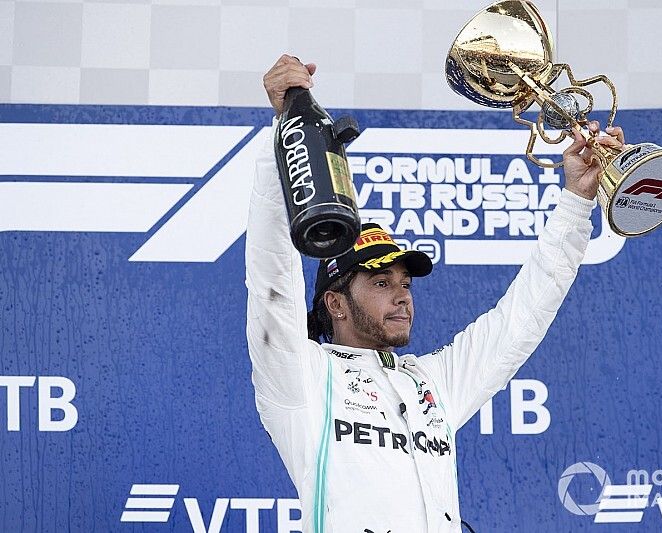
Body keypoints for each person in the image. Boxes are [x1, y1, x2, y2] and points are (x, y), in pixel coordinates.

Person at [245, 54, 625, 532]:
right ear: (335, 302)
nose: (402, 296)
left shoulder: (432, 383)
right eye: (381, 283)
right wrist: (288, 130)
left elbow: (522, 317)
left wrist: (576, 200)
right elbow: (271, 281)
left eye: (405, 284)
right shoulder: (302, 377)